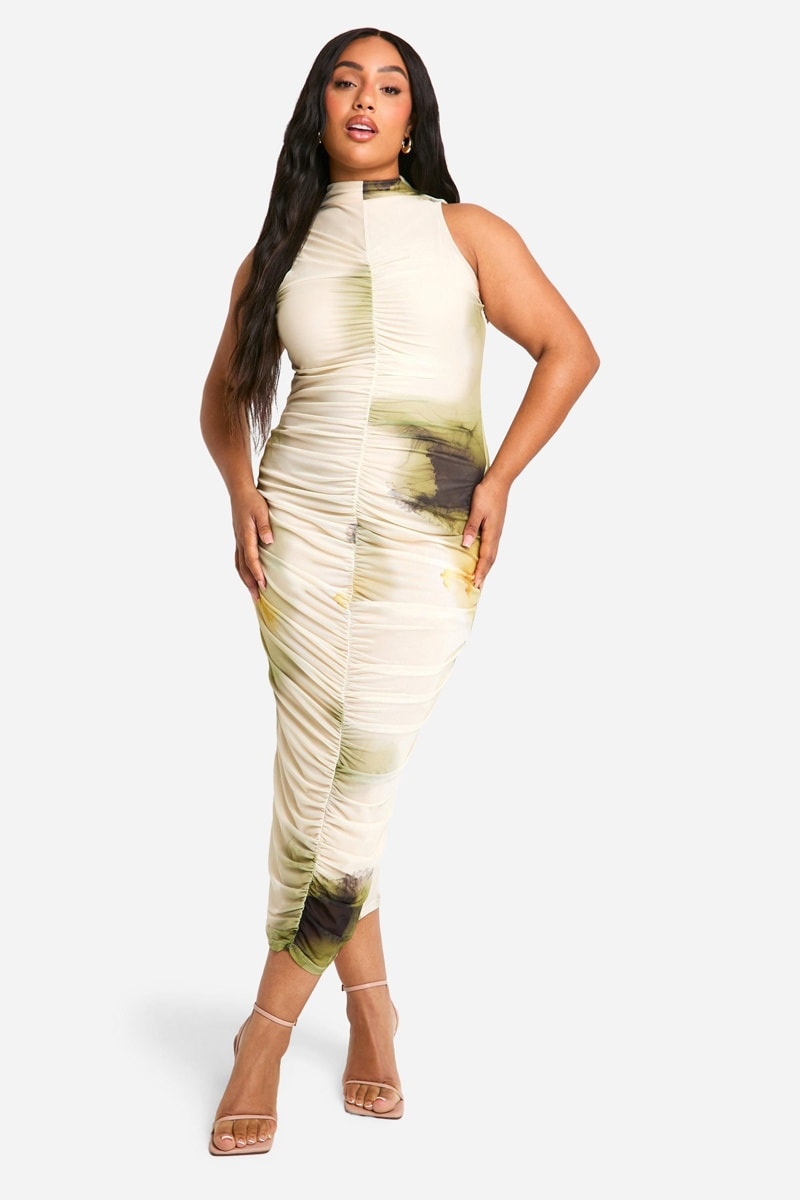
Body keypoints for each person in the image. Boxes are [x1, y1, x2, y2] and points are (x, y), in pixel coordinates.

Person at [200, 26, 599, 1156]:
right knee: (313, 779)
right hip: (300, 532)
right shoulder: (275, 253)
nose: (365, 100)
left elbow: (568, 350)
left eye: (389, 86)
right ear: (318, 107)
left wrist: (501, 479)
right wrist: (239, 488)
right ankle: (371, 1013)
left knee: (357, 779)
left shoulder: (468, 233)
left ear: (414, 117)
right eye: (345, 81)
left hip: (427, 537)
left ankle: (265, 1028)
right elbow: (222, 398)